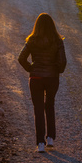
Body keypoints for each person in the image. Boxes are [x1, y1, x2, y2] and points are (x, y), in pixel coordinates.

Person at [18, 13, 67, 153]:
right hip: (52, 78)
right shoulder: (57, 41)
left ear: (37, 25)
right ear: (52, 25)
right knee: (49, 104)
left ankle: (40, 143)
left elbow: (21, 58)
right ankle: (50, 137)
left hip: (36, 79)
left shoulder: (32, 40)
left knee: (38, 109)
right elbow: (62, 62)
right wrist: (57, 71)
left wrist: (31, 69)